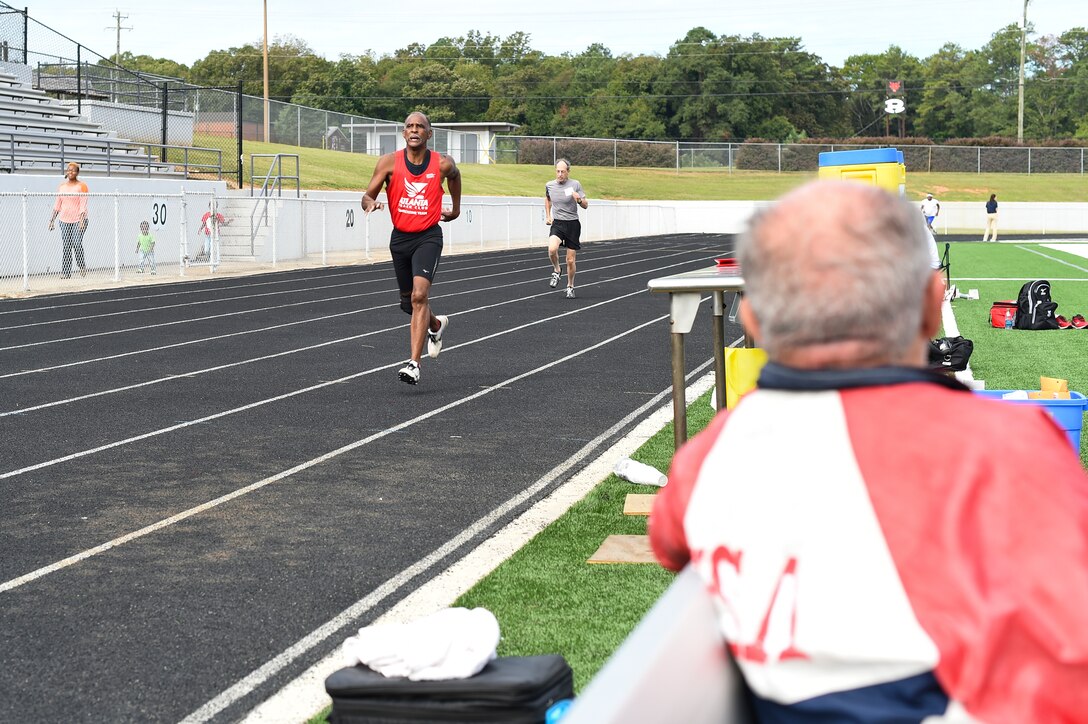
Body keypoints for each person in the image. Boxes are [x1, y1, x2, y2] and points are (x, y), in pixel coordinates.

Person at [649, 180, 1088, 722]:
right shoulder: (1009, 447)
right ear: (933, 305)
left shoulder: (708, 457)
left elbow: (670, 544)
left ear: (753, 320)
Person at [361, 111, 461, 385]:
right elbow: (367, 195)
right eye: (409, 126)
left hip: (428, 236)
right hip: (400, 239)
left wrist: (455, 209)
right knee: (409, 303)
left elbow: (455, 175)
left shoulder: (441, 163)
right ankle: (436, 326)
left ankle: (414, 364)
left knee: (419, 296)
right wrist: (370, 203)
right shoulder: (389, 163)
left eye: (420, 126)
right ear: (404, 133)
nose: (414, 130)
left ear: (429, 134)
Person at [544, 158, 588, 299]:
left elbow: (586, 205)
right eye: (558, 171)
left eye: (563, 171)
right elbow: (548, 199)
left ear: (568, 172)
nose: (560, 174)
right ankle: (557, 270)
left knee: (570, 260)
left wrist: (578, 199)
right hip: (558, 223)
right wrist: (548, 216)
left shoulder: (575, 184)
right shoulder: (549, 185)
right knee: (552, 249)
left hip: (572, 224)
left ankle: (570, 286)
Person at [47, 161, 89, 278]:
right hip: (64, 220)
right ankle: (66, 273)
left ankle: (81, 265)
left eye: (73, 170)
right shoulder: (62, 187)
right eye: (69, 170)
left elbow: (83, 205)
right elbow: (57, 204)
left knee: (76, 243)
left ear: (77, 172)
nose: (70, 172)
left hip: (79, 220)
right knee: (66, 246)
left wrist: (81, 220)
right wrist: (52, 220)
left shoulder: (82, 186)